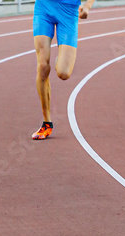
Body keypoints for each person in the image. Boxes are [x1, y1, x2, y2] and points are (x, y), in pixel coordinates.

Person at [31, 0, 95, 139]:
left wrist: (87, 6)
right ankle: (46, 123)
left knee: (64, 73)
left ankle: (61, 59)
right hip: (44, 7)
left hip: (68, 11)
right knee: (42, 66)